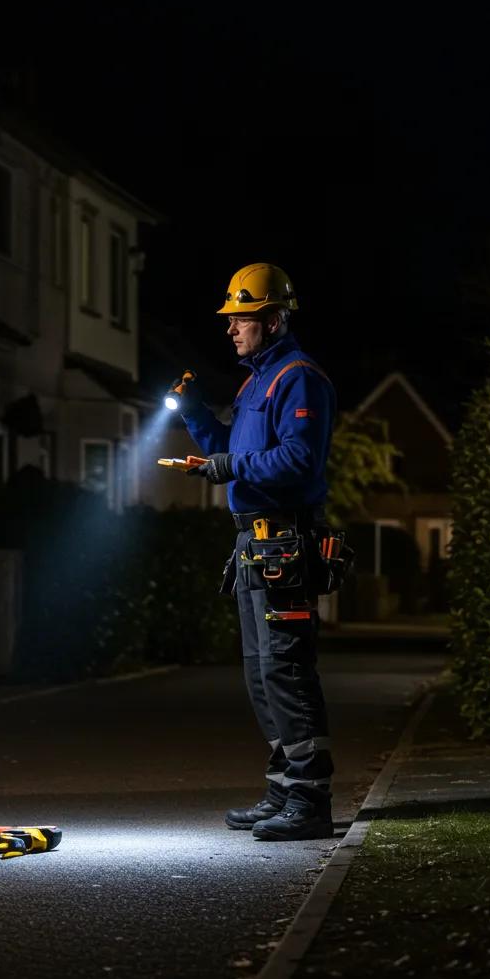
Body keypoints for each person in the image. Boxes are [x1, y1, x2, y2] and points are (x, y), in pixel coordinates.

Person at [172, 262, 337, 841]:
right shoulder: (254, 384)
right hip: (254, 541)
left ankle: (311, 800)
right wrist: (195, 417)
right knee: (260, 672)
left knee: (287, 667)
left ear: (273, 319)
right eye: (230, 319)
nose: (231, 329)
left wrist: (230, 465)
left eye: (241, 318)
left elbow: (297, 460)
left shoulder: (299, 378)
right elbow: (230, 448)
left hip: (284, 540)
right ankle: (284, 789)